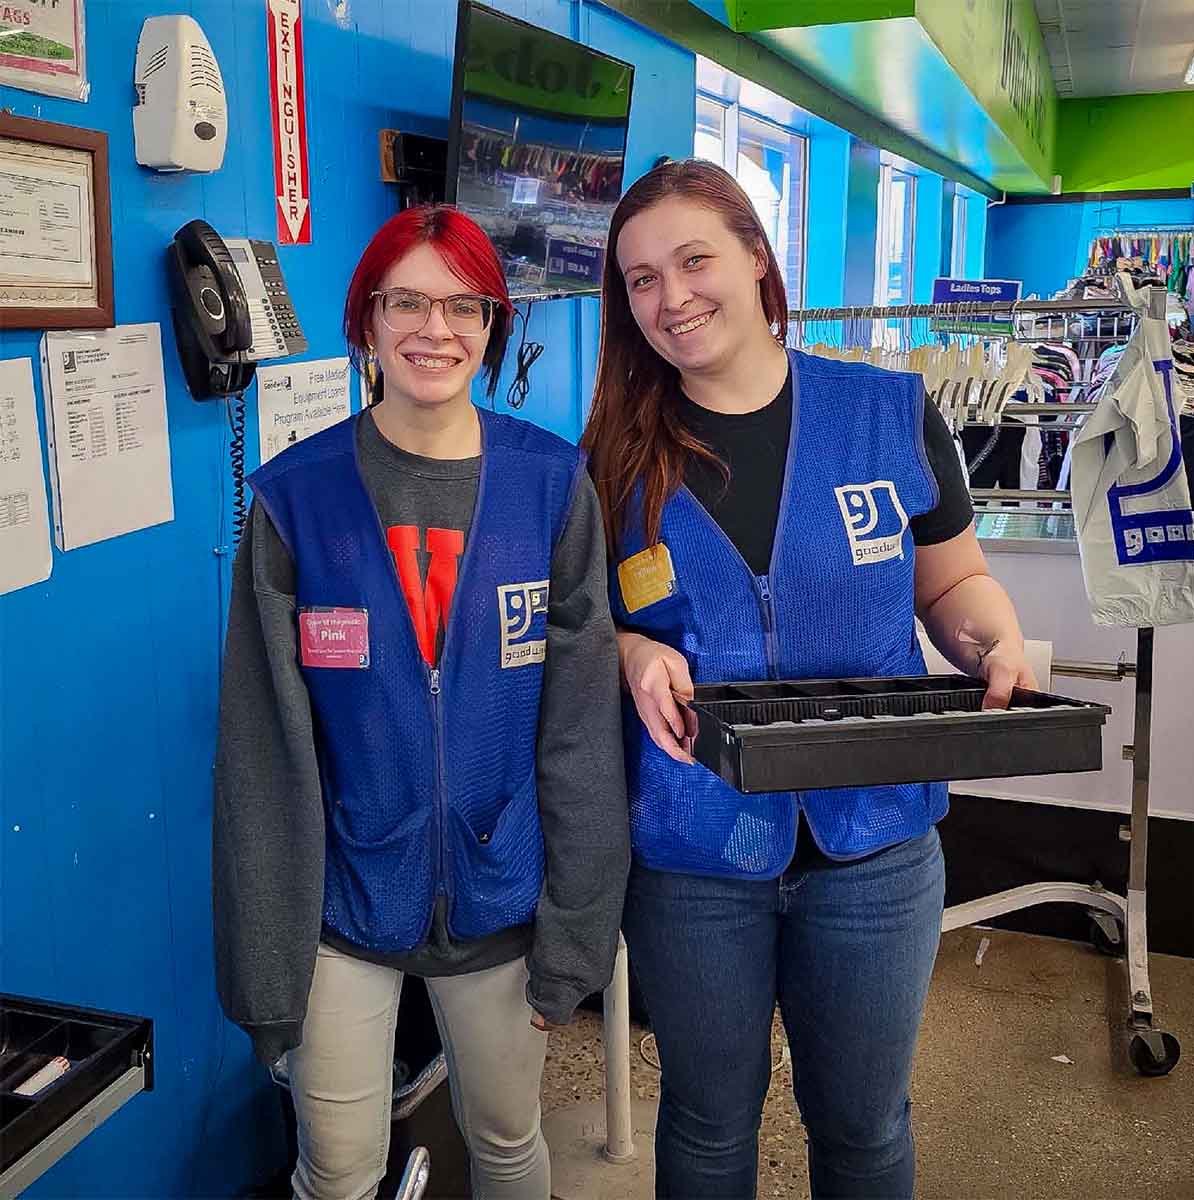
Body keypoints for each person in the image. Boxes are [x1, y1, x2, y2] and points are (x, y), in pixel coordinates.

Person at [581, 160, 1038, 1200]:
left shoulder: (890, 414)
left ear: (755, 257)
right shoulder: (613, 452)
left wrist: (989, 641)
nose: (671, 296)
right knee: (704, 1122)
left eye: (694, 260)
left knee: (865, 1128)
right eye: (640, 279)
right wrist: (630, 650)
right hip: (695, 850)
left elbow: (954, 582)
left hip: (873, 842)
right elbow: (584, 623)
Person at [213, 205, 628, 1200]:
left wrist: (576, 932)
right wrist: (269, 970)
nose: (435, 330)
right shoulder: (293, 500)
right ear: (365, 322)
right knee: (341, 1169)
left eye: (463, 306)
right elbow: (262, 752)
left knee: (506, 1138)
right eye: (407, 301)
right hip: (344, 904)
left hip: (501, 895)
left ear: (492, 327)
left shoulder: (550, 486)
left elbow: (579, 731)